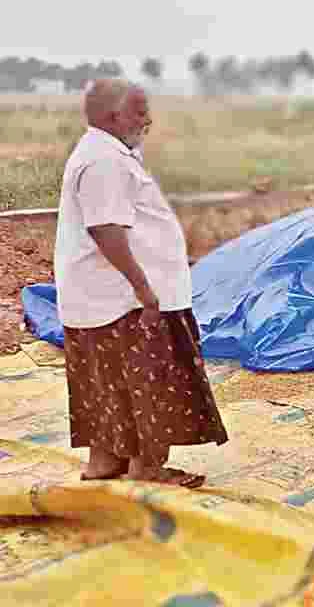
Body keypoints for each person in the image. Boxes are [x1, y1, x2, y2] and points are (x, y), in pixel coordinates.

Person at [53, 79, 228, 488]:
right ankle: (147, 467)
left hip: (101, 295)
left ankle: (105, 461)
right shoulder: (104, 161)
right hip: (125, 297)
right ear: (114, 117)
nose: (148, 119)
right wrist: (144, 289)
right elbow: (106, 229)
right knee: (151, 379)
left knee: (106, 379)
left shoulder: (105, 153)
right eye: (139, 111)